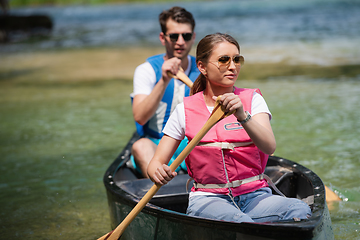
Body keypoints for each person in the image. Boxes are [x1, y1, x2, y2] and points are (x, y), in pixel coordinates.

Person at [147, 33, 312, 223]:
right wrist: (158, 172)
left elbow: (269, 146)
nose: (233, 66)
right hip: (208, 199)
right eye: (224, 60)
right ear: (202, 67)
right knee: (240, 222)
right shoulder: (184, 109)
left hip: (256, 195)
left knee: (300, 210)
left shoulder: (253, 100)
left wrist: (242, 115)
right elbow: (155, 164)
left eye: (237, 59)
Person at [130, 6, 199, 178]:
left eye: (186, 36)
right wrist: (164, 80)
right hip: (156, 144)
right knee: (140, 146)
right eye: (174, 36)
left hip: (192, 145)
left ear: (193, 37)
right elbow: (140, 116)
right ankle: (159, 195)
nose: (181, 42)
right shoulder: (146, 70)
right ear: (163, 38)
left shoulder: (203, 69)